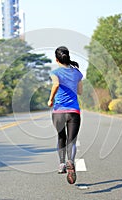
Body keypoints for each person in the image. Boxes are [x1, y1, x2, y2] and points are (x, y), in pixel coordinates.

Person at [48, 46, 83, 184]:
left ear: (57, 59)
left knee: (61, 137)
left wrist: (51, 99)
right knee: (72, 140)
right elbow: (80, 92)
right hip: (73, 112)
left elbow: (56, 84)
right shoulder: (77, 73)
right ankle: (71, 161)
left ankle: (62, 164)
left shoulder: (55, 72)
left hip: (58, 112)